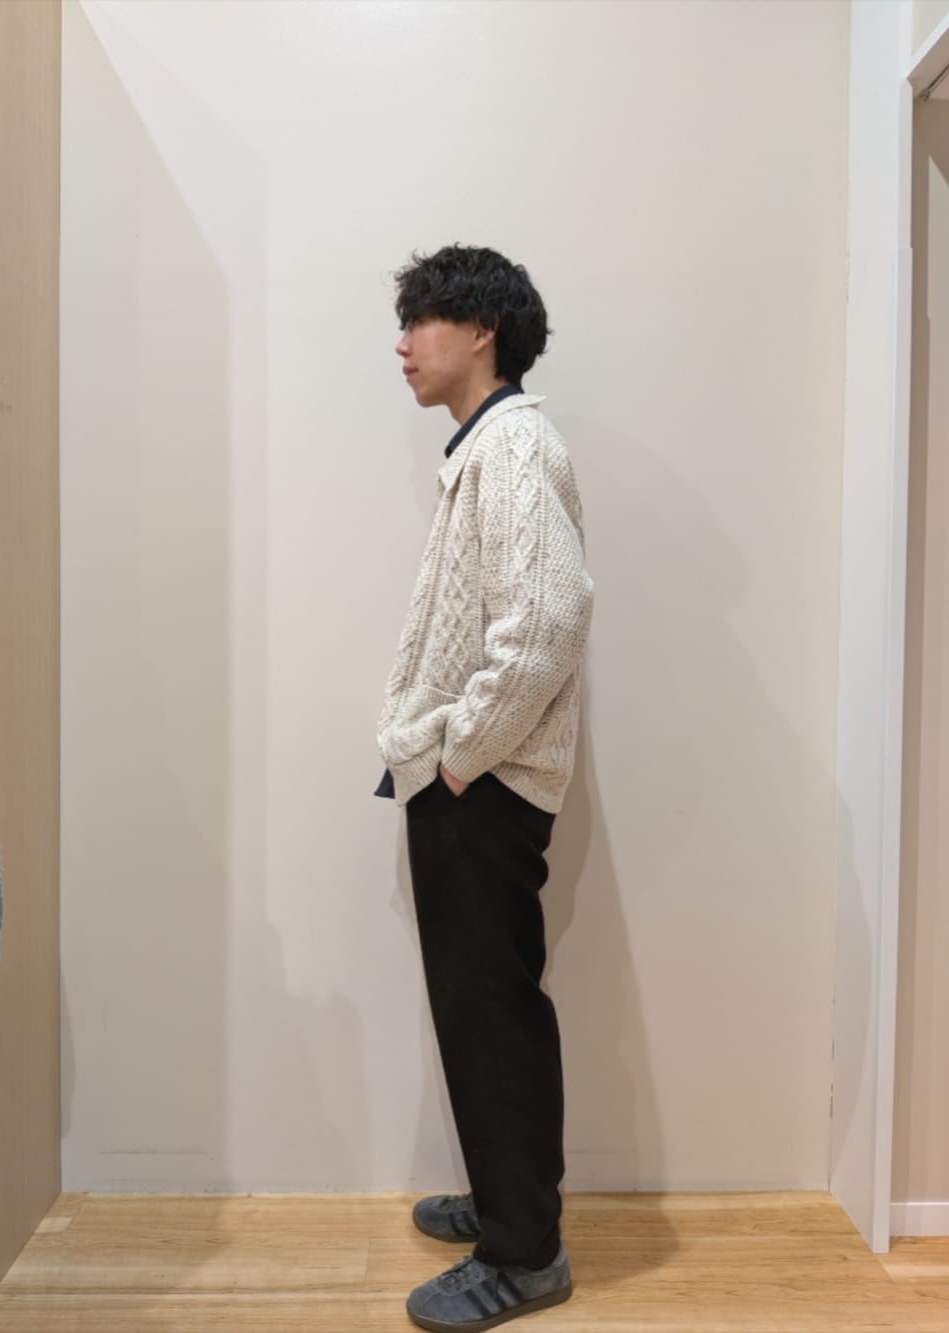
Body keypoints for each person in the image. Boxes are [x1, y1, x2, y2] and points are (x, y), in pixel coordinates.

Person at [375, 244, 593, 1331]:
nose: (402, 344)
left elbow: (547, 622)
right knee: (481, 1005)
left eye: (422, 319)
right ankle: (511, 1202)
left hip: (485, 783)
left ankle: (524, 1252)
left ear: (481, 331)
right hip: (474, 777)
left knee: (492, 1009)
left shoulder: (512, 444)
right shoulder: (485, 448)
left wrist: (460, 756)